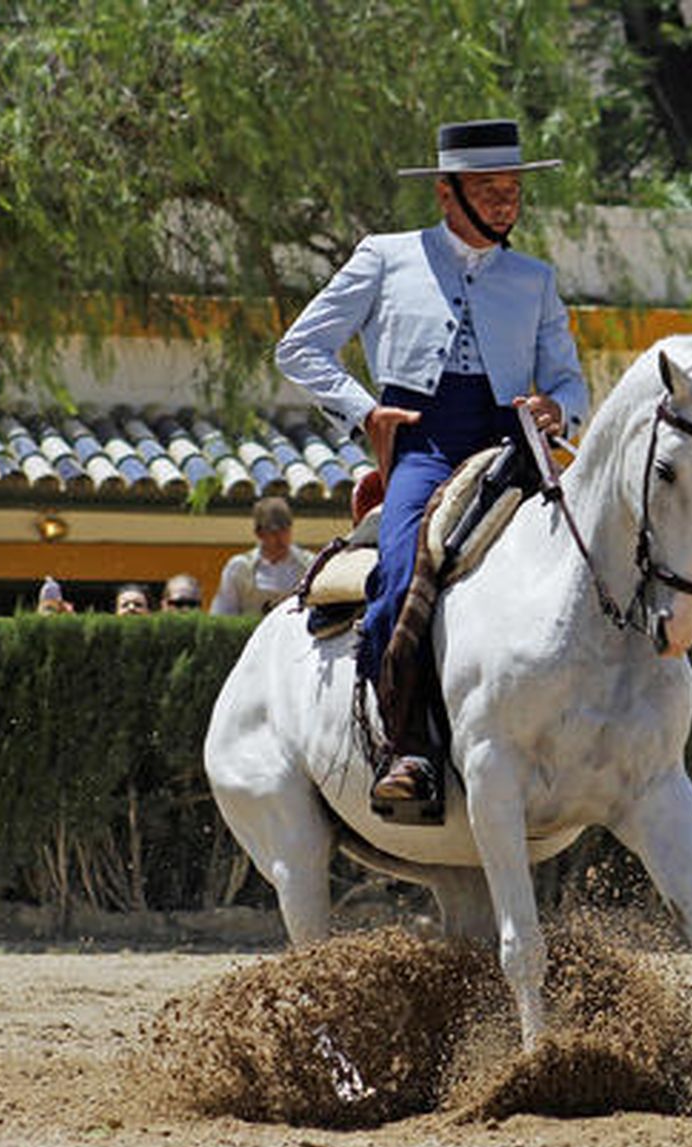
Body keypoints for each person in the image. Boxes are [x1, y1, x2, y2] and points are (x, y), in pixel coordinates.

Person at [274, 118, 587, 820]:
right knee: (397, 573)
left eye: (512, 189)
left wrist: (556, 409)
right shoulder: (385, 256)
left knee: (616, 556)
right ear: (447, 194)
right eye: (489, 189)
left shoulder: (536, 279)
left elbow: (572, 383)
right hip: (426, 443)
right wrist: (364, 411)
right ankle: (406, 747)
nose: (506, 202)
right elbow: (301, 348)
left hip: (514, 443)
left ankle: (644, 754)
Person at [211, 496, 314, 617]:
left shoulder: (310, 565)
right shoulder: (239, 568)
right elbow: (223, 614)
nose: (281, 538)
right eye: (274, 532)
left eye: (285, 530)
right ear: (259, 533)